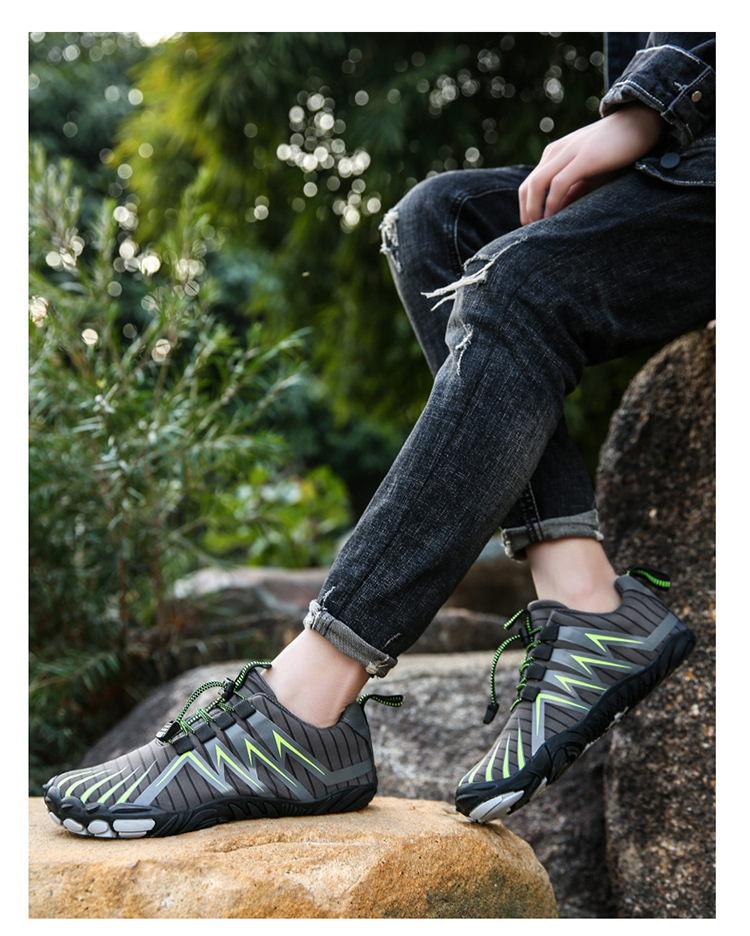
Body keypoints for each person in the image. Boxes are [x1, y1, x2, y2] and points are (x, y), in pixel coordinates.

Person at [43, 32, 715, 839]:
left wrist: (653, 106)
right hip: (687, 159)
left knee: (515, 283)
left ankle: (303, 705)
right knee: (435, 223)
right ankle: (585, 599)